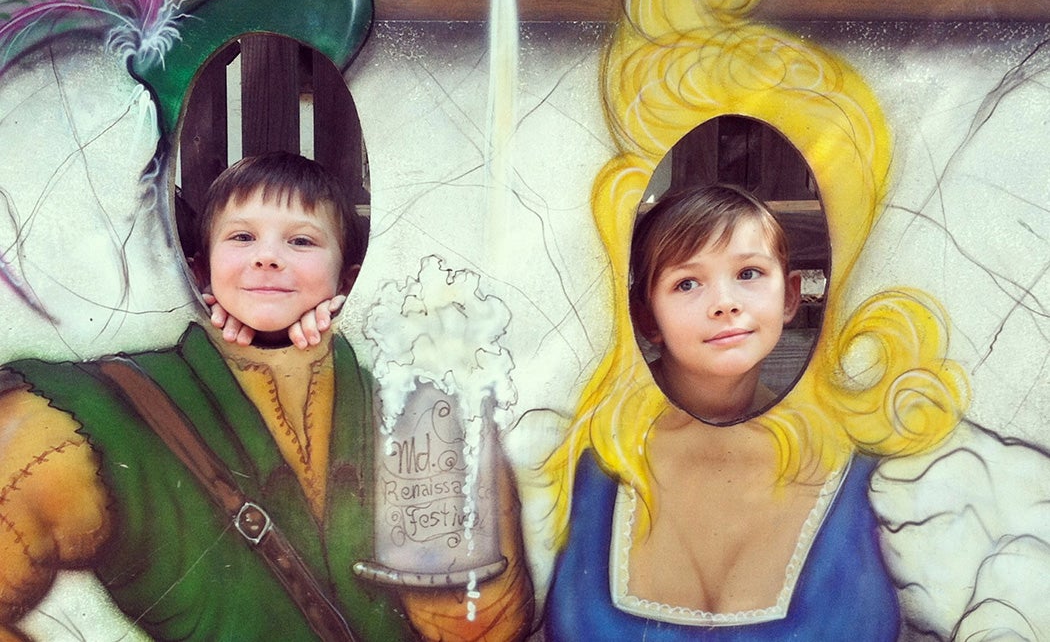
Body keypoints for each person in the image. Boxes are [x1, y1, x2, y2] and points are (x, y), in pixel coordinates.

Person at [0, 152, 532, 641]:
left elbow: (479, 629)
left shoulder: (412, 409)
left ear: (347, 275)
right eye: (241, 238)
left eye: (301, 241)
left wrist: (428, 428)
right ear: (200, 267)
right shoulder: (102, 410)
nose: (268, 259)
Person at [542, 184, 902, 639]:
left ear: (791, 296)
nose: (725, 303)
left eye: (749, 273)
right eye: (687, 283)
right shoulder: (588, 458)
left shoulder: (865, 465)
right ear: (647, 316)